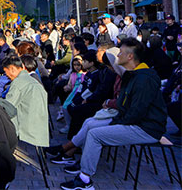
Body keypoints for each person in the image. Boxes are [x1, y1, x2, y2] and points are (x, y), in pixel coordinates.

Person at [59, 38, 167, 190]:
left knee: (95, 134)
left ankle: (84, 179)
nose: (118, 56)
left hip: (145, 128)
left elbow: (136, 112)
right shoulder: (134, 76)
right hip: (136, 123)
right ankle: (80, 170)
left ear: (130, 57)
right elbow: (125, 106)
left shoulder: (143, 78)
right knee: (92, 127)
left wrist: (114, 123)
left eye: (121, 53)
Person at [3, 55, 49, 147]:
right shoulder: (31, 79)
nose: (6, 75)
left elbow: (8, 107)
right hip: (39, 124)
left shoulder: (18, 82)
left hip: (26, 126)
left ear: (12, 69)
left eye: (5, 72)